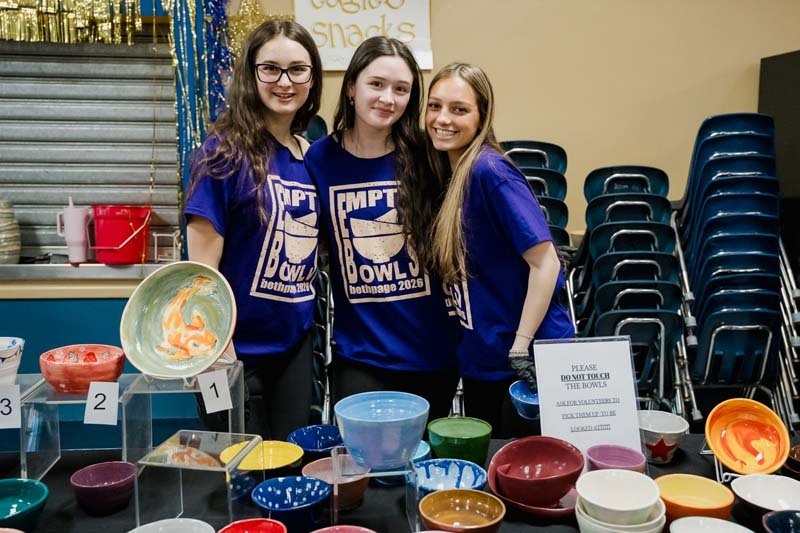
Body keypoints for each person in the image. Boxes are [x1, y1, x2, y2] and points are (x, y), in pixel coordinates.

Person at [304, 37, 459, 421]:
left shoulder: (429, 156)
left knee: (423, 472)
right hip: (361, 354)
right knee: (366, 471)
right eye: (377, 84)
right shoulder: (319, 158)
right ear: (353, 86)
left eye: (401, 89)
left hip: (431, 352)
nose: (388, 98)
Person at [183, 19, 323, 440]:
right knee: (237, 474)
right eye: (271, 69)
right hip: (227, 350)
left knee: (292, 467)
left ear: (311, 78)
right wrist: (214, 349)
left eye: (298, 69)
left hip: (293, 346)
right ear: (251, 74)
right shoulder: (221, 153)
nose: (285, 81)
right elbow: (200, 271)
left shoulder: (313, 158)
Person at [425, 63, 575, 436]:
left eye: (459, 109)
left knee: (525, 484)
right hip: (485, 359)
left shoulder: (490, 172)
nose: (443, 119)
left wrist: (521, 347)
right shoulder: (452, 172)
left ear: (482, 116)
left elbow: (546, 262)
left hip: (523, 363)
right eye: (434, 106)